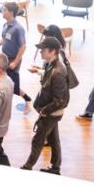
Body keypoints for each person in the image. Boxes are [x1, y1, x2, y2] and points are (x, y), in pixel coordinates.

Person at [21, 37, 70, 175]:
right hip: (50, 112)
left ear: (53, 51)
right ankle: (55, 167)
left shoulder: (58, 72)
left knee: (38, 140)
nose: (41, 52)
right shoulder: (50, 65)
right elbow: (49, 77)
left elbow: (59, 101)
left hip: (51, 113)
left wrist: (44, 111)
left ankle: (27, 167)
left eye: (43, 50)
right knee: (54, 139)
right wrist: (38, 71)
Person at [0, 2, 33, 112]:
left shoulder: (18, 29)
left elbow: (23, 46)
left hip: (12, 60)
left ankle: (28, 100)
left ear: (11, 12)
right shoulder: (5, 25)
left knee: (13, 86)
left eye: (4, 10)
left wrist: (15, 62)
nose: (2, 11)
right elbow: (4, 38)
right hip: (4, 58)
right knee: (3, 81)